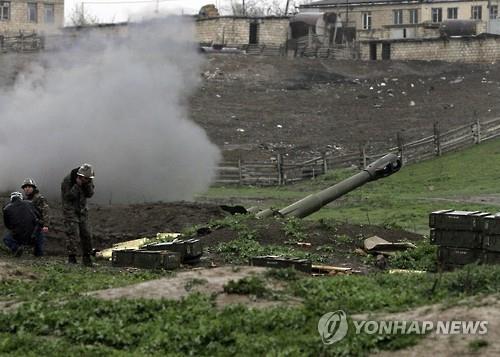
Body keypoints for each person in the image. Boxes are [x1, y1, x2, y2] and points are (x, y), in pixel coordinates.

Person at [61, 163, 95, 266]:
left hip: (82, 210)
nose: (87, 180)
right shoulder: (68, 180)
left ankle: (87, 258)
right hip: (70, 210)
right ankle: (72, 258)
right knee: (72, 234)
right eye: (85, 179)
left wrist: (87, 184)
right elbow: (68, 197)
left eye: (88, 179)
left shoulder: (88, 180)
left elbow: (90, 194)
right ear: (80, 176)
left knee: (87, 234)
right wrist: (77, 186)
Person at [3, 192, 38, 257]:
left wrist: (13, 228)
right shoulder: (29, 203)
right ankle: (37, 252)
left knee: (6, 239)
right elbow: (36, 216)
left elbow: (7, 224)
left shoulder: (6, 208)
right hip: (32, 233)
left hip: (17, 234)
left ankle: (16, 248)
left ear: (11, 198)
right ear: (21, 197)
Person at [21, 178, 49, 257]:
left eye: (29, 187)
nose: (27, 189)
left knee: (39, 246)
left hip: (39, 224)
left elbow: (46, 211)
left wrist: (46, 225)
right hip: (30, 225)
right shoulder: (26, 199)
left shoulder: (39, 198)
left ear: (33, 188)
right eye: (25, 187)